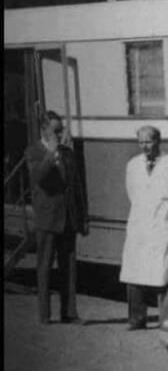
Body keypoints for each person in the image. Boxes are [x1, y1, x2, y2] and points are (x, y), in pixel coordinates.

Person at [119, 126, 168, 330]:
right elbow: (132, 193)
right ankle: (136, 319)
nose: (145, 146)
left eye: (148, 142)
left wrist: (167, 212)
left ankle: (166, 319)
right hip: (140, 226)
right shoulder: (133, 165)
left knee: (164, 274)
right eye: (141, 142)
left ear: (158, 141)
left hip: (163, 225)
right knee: (135, 274)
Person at [26, 110, 88, 324]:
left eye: (61, 130)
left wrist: (83, 217)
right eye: (56, 130)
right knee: (44, 267)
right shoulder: (33, 151)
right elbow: (37, 177)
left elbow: (77, 186)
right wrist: (51, 154)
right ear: (44, 130)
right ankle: (45, 315)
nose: (60, 134)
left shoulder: (68, 153)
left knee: (69, 267)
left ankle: (69, 313)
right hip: (47, 219)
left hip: (68, 218)